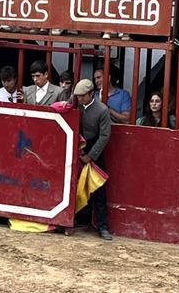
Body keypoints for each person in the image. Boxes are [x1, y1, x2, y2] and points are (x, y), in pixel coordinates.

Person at [72, 79, 113, 241]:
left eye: (82, 96)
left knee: (98, 189)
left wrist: (91, 155)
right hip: (77, 148)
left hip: (94, 149)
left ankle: (102, 226)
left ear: (91, 94)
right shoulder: (76, 106)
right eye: (78, 96)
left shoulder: (102, 110)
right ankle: (80, 220)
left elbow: (104, 136)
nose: (79, 99)